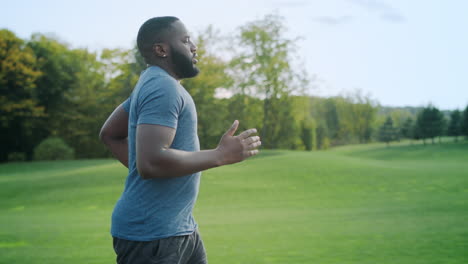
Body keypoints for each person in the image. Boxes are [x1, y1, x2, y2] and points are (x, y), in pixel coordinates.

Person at [99, 16, 262, 264]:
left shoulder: (150, 82)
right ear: (161, 49)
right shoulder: (163, 88)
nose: (194, 47)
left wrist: (145, 166)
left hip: (180, 229)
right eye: (186, 40)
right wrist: (220, 155)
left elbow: (110, 135)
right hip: (152, 238)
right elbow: (151, 162)